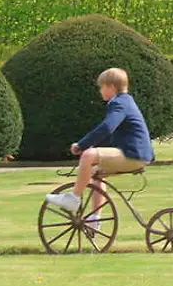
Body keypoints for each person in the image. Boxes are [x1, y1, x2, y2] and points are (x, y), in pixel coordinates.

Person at [44, 67, 155, 215]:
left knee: (88, 155)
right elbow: (111, 134)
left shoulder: (120, 103)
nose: (100, 90)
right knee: (96, 174)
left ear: (111, 87)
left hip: (133, 155)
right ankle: (94, 220)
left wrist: (81, 145)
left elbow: (107, 128)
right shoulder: (125, 101)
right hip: (136, 154)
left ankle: (73, 199)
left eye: (102, 87)